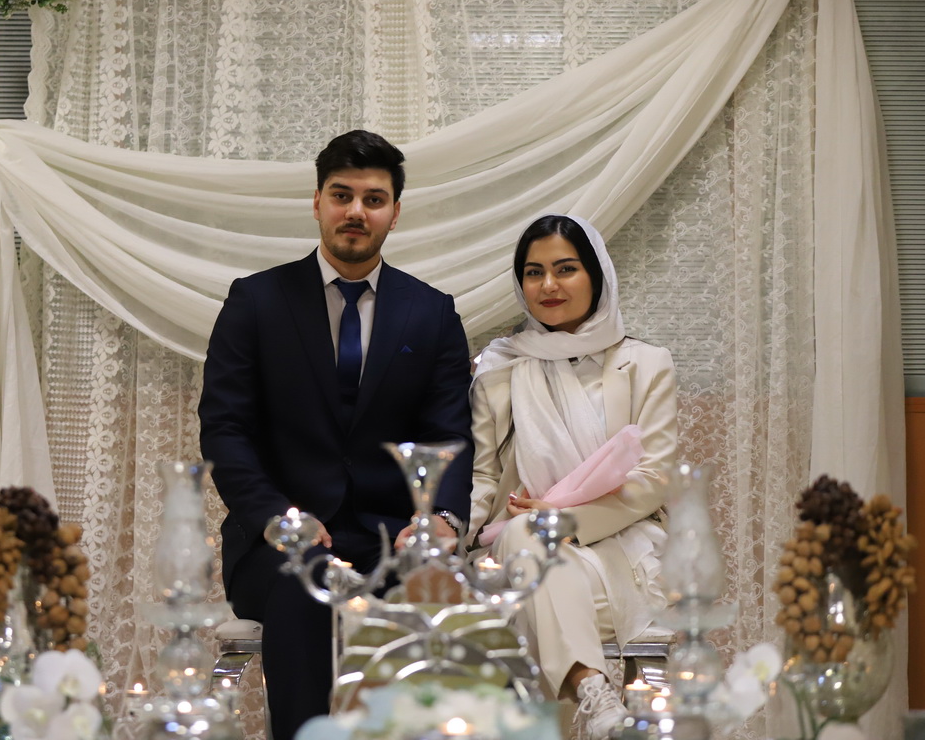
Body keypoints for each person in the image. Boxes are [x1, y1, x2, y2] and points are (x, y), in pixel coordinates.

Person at [199, 129, 474, 740]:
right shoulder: (255, 302)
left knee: (444, 597)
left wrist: (442, 519)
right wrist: (276, 516)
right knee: (311, 590)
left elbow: (448, 435)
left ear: (394, 213)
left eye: (373, 199)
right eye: (342, 195)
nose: (356, 211)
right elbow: (224, 428)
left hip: (395, 539)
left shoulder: (432, 313)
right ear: (317, 202)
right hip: (280, 546)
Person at [465, 214, 677, 740]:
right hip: (517, 541)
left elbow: (652, 478)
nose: (549, 285)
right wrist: (448, 535)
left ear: (596, 275)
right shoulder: (499, 369)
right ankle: (593, 692)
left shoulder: (646, 364)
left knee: (532, 541)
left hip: (618, 540)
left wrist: (564, 518)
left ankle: (586, 695)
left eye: (565, 269)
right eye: (534, 272)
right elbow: (483, 476)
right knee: (524, 532)